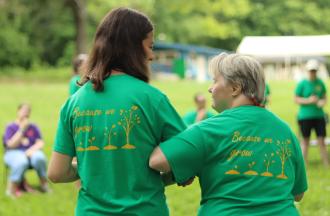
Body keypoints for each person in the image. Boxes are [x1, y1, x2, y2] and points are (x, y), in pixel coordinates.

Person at [47, 7, 186, 216]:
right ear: (133, 48)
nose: (151, 55)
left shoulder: (74, 103)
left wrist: (88, 169)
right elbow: (187, 156)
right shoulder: (153, 99)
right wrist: (159, 177)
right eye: (150, 46)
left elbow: (56, 173)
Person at [149, 53, 307, 216]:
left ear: (235, 88)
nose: (210, 88)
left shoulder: (209, 129)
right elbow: (298, 193)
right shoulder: (285, 131)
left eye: (215, 80)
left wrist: (184, 170)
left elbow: (157, 161)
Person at [3, 103, 49, 197]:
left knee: (40, 157)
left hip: (31, 152)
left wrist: (31, 151)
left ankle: (44, 185)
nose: (25, 113)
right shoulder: (11, 127)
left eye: (27, 111)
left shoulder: (33, 127)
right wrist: (22, 130)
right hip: (13, 152)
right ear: (18, 111)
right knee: (21, 161)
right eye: (23, 111)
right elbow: (10, 145)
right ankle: (11, 189)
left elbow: (40, 143)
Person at [295, 59, 329, 166]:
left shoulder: (320, 83)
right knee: (305, 141)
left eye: (314, 71)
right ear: (307, 71)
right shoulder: (302, 84)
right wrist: (309, 100)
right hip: (305, 117)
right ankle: (303, 164)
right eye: (310, 71)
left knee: (322, 141)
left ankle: (326, 163)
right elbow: (296, 99)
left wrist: (321, 102)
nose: (312, 73)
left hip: (319, 116)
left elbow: (324, 97)